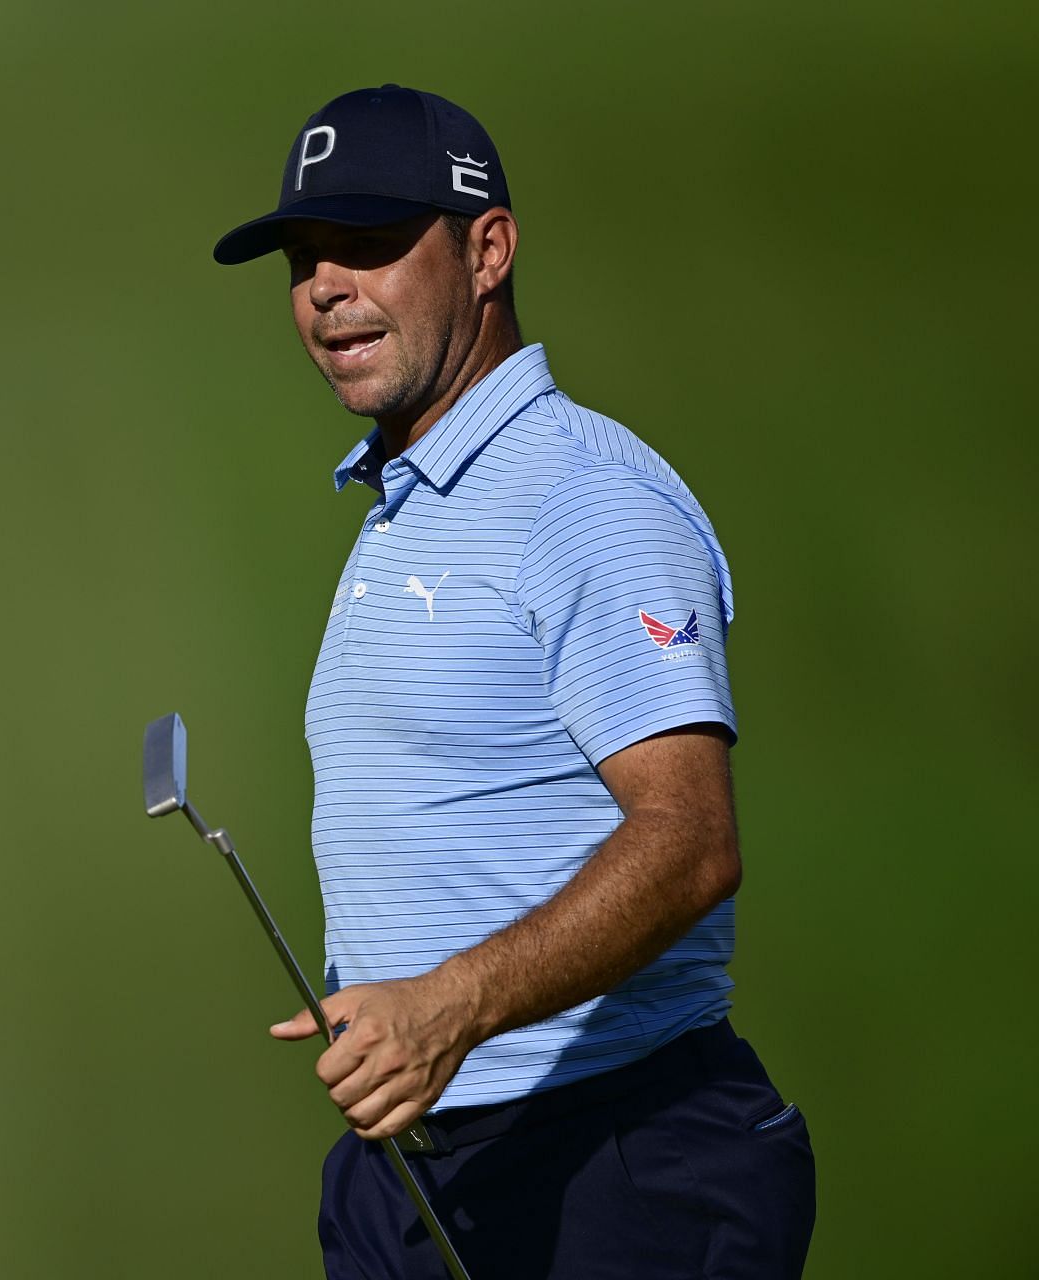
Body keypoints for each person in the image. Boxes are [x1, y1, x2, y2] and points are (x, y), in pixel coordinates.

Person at [210, 85, 816, 1278]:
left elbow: (692, 839)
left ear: (487, 249)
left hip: (617, 1167)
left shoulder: (588, 501)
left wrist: (448, 1005)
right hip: (419, 1168)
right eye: (303, 257)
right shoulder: (408, 499)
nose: (327, 287)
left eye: (374, 245)